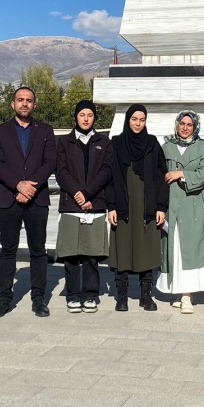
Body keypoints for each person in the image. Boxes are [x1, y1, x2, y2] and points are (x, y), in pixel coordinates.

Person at [0, 86, 57, 318]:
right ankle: (5, 299)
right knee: (8, 250)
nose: (24, 103)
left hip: (37, 200)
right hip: (9, 198)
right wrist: (18, 184)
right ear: (13, 104)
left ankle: (39, 300)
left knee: (38, 250)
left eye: (29, 100)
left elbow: (50, 162)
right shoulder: (0, 131)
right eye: (20, 100)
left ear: (34, 105)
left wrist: (29, 187)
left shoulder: (45, 131)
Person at [107, 104, 169, 312]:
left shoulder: (151, 144)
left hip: (146, 205)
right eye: (134, 119)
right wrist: (111, 206)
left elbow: (162, 176)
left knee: (147, 249)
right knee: (122, 249)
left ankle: (145, 296)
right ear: (128, 120)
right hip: (123, 205)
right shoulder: (116, 143)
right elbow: (110, 176)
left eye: (142, 120)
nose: (138, 123)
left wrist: (161, 206)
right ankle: (122, 296)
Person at [54, 100, 113, 314]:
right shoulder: (64, 142)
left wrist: (88, 194)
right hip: (71, 204)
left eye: (90, 114)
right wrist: (78, 193)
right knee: (70, 253)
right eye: (82, 114)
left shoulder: (104, 142)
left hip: (94, 204)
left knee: (91, 253)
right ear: (76, 117)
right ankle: (73, 294)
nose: (86, 118)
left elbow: (106, 171)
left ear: (94, 117)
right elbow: (61, 171)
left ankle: (90, 294)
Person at [158, 110, 204, 314]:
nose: (185, 128)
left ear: (195, 127)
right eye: (182, 123)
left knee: (191, 251)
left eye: (189, 124)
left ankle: (187, 296)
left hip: (194, 206)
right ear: (176, 125)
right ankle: (178, 290)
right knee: (174, 249)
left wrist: (180, 173)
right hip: (172, 206)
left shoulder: (201, 146)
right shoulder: (166, 147)